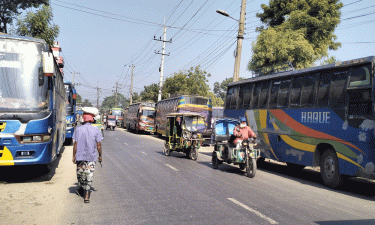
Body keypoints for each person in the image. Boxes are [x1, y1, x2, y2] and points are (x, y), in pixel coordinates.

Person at [72, 113, 103, 203]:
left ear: (83, 119)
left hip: (80, 157)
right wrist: (100, 156)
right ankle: (85, 192)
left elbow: (75, 144)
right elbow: (99, 144)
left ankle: (85, 193)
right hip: (91, 157)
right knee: (89, 175)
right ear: (91, 120)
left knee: (80, 175)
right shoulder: (96, 130)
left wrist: (73, 156)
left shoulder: (78, 129)